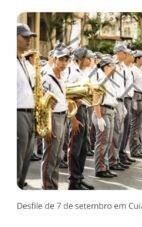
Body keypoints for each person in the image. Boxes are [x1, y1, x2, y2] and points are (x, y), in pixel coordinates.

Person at [41, 47, 70, 189]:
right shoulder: (46, 77)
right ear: (54, 59)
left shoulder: (62, 77)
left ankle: (54, 185)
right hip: (53, 117)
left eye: (66, 60)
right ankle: (47, 186)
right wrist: (47, 125)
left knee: (58, 155)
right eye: (61, 60)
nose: (63, 63)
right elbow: (43, 103)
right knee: (50, 154)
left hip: (63, 115)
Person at [67, 47, 95, 190]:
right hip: (76, 110)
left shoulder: (83, 72)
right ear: (81, 59)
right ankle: (73, 181)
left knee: (83, 147)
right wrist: (73, 119)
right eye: (87, 58)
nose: (89, 60)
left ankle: (79, 177)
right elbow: (69, 97)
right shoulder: (73, 73)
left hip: (84, 109)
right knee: (75, 147)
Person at [17, 23, 37, 189]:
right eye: (25, 37)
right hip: (17, 113)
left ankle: (19, 184)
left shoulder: (23, 61)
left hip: (29, 112)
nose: (29, 40)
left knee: (26, 155)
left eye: (30, 37)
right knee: (17, 155)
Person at [92, 57, 119, 178]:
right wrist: (98, 117)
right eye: (112, 66)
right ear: (106, 67)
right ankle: (100, 168)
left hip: (110, 110)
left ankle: (105, 166)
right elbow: (96, 99)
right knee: (102, 142)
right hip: (102, 111)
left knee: (107, 141)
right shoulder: (100, 79)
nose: (115, 68)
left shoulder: (108, 80)